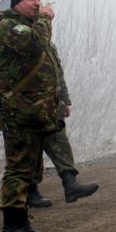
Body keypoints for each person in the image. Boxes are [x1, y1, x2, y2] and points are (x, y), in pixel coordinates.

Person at [0, 0, 97, 232]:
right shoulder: (9, 27)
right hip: (19, 114)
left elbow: (50, 67)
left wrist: (61, 100)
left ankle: (23, 225)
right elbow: (35, 44)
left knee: (28, 172)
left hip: (37, 114)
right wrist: (46, 20)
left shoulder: (28, 26)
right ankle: (11, 230)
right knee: (17, 171)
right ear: (16, 3)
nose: (37, 3)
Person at [24, 42, 100, 208]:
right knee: (31, 150)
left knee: (60, 144)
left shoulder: (48, 44)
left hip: (51, 106)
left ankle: (71, 185)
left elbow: (58, 74)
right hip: (29, 106)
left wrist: (65, 100)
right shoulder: (23, 38)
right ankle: (31, 192)